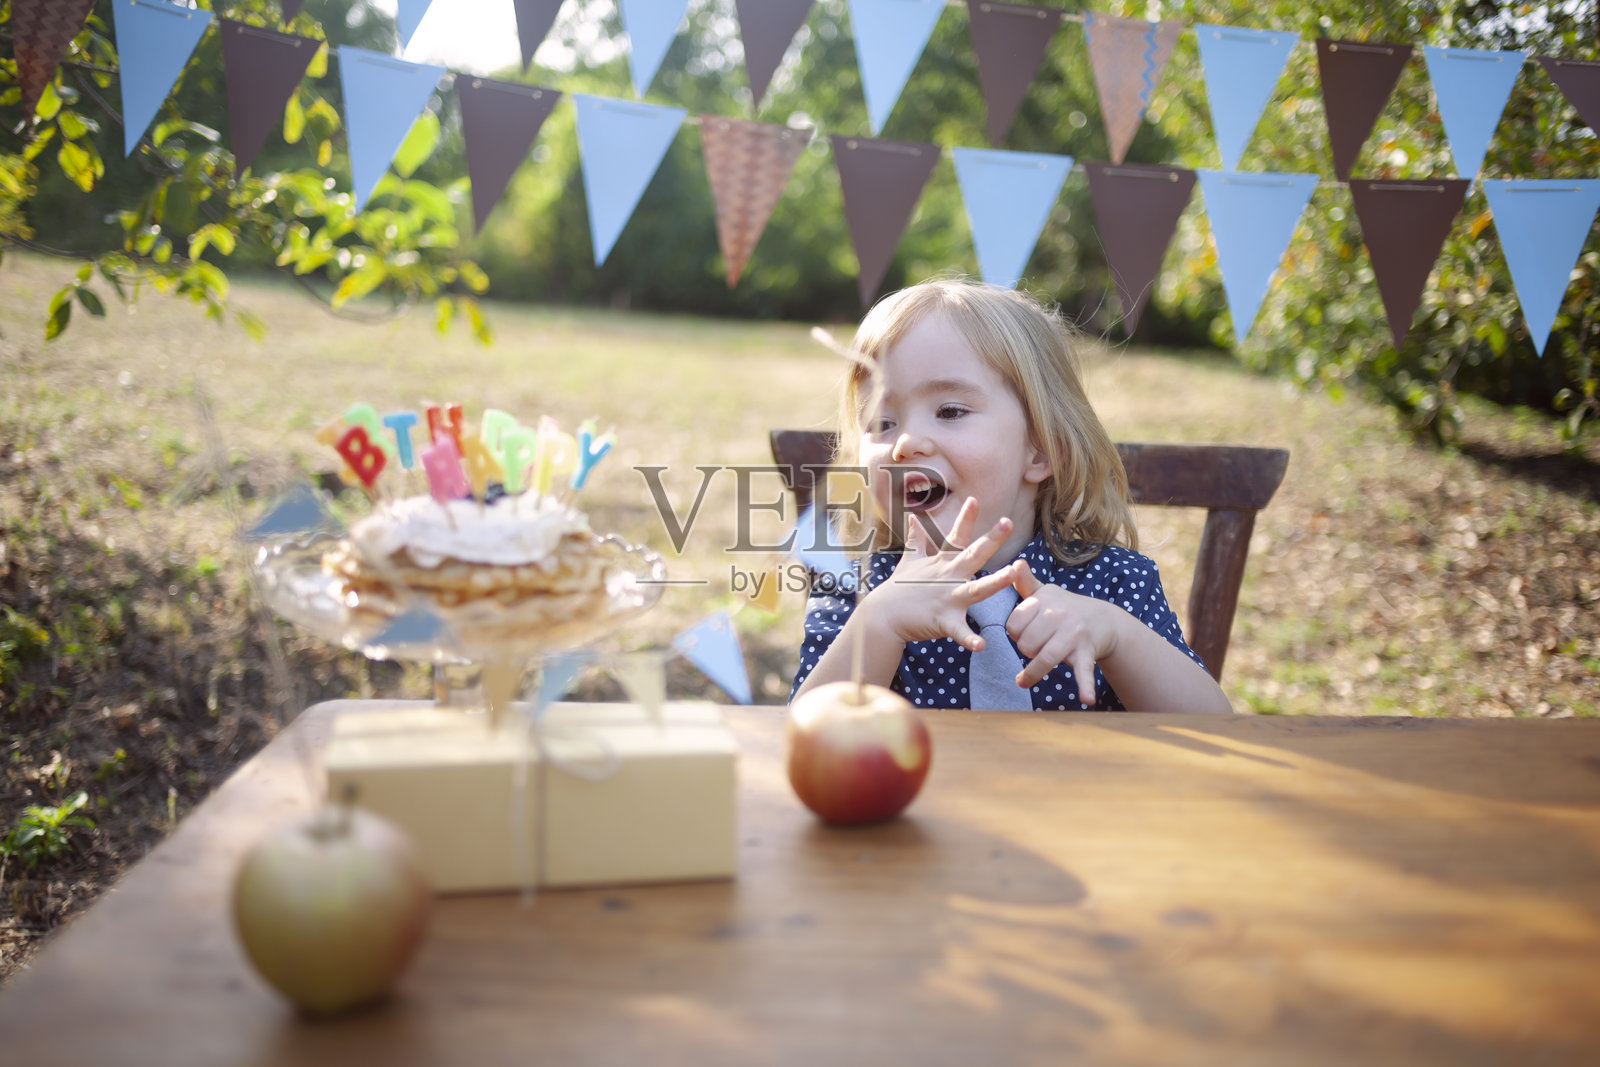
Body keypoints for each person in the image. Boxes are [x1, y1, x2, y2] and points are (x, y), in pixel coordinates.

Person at [789, 279, 1232, 714]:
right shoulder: (857, 586)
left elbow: (1215, 728)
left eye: (949, 411)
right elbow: (805, 732)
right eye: (882, 422)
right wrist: (880, 622)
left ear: (1041, 450)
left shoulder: (1115, 583)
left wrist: (1118, 636)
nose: (906, 443)